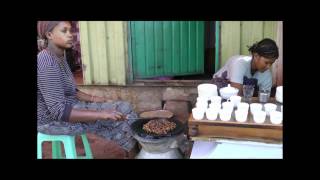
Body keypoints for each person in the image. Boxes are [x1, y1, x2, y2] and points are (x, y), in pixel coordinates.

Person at [37, 21, 138, 158]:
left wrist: (96, 99)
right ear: (49, 34)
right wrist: (101, 114)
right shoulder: (46, 62)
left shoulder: (60, 57)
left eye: (70, 30)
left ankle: (133, 152)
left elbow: (72, 91)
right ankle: (134, 154)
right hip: (52, 121)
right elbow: (59, 111)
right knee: (120, 115)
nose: (70, 35)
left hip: (69, 108)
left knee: (124, 108)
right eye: (64, 31)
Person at [212, 38, 279, 95]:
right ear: (256, 56)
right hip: (218, 87)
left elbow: (264, 97)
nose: (268, 67)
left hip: (241, 91)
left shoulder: (267, 74)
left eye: (271, 63)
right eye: (266, 62)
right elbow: (236, 95)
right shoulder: (239, 63)